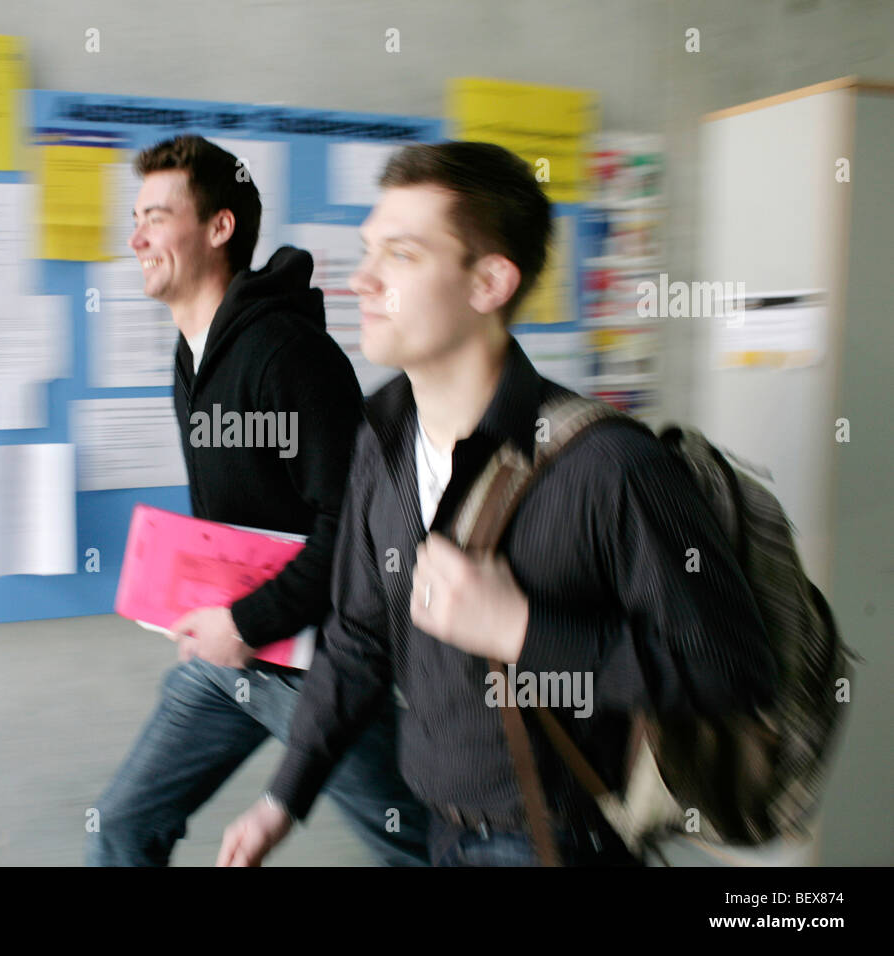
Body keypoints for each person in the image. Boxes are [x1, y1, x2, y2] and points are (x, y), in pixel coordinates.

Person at [217, 140, 777, 867]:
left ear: (489, 282)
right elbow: (357, 642)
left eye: (403, 255)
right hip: (436, 834)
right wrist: (280, 801)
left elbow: (730, 668)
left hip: (558, 842)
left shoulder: (609, 465)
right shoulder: (379, 438)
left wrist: (520, 627)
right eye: (367, 250)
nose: (361, 279)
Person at [86, 134, 430, 867]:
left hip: (316, 667)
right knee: (119, 826)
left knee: (423, 848)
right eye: (136, 215)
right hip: (230, 657)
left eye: (156, 215)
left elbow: (355, 532)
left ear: (219, 228)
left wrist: (247, 621)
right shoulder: (193, 354)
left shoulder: (286, 355)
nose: (136, 235)